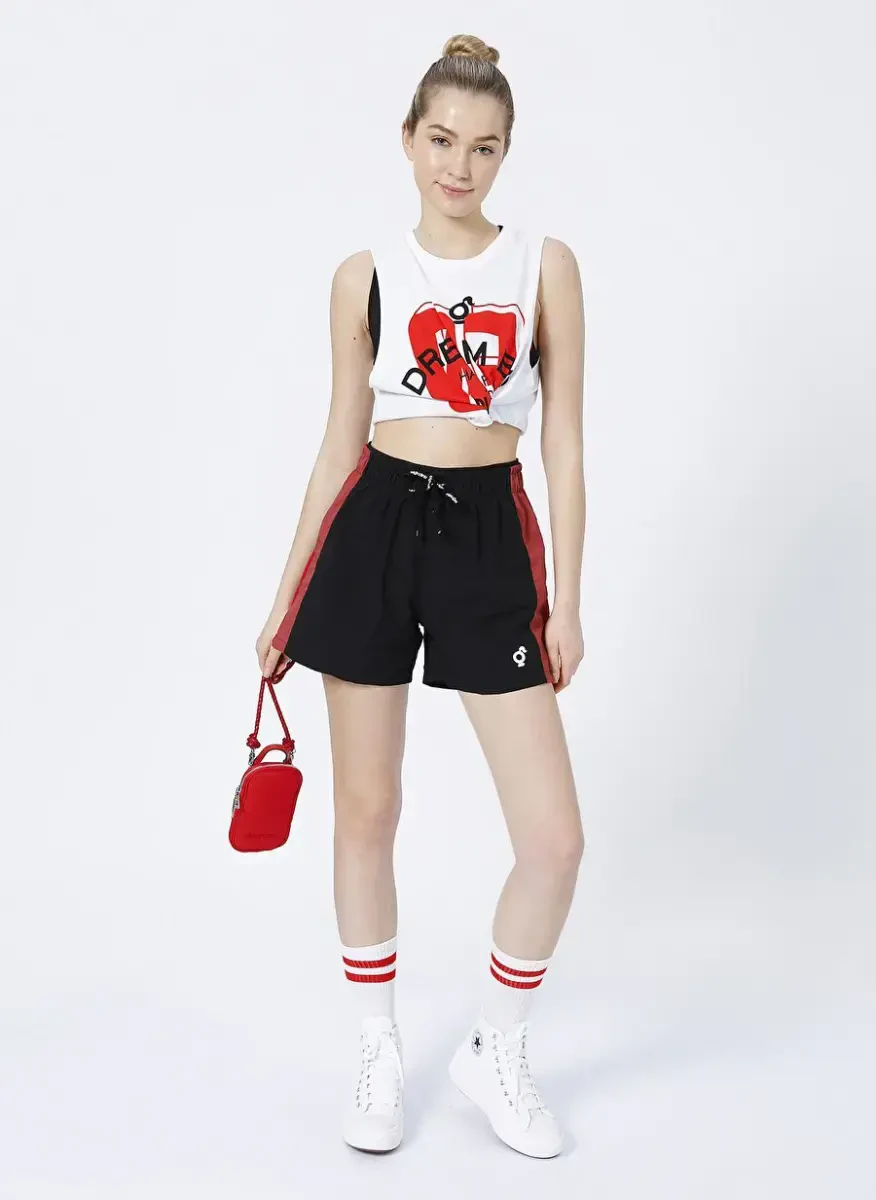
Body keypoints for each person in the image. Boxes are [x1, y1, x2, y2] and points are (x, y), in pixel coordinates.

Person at [256, 32, 586, 1159]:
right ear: (407, 141)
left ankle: (498, 1044)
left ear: (506, 154)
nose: (460, 165)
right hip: (375, 526)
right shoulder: (365, 275)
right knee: (368, 809)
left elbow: (566, 442)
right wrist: (286, 597)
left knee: (553, 838)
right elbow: (337, 445)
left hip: (491, 535)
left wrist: (568, 600)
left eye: (483, 147)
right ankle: (377, 1044)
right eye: (442, 140)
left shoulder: (544, 267)